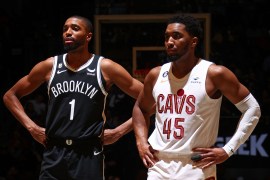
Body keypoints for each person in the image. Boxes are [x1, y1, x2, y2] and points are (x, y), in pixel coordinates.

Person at [3, 15, 143, 180]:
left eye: (75, 28)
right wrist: (32, 128)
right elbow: (9, 96)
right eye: (65, 29)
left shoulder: (105, 67)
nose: (68, 32)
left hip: (88, 153)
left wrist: (120, 131)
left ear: (88, 36)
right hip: (54, 152)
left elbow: (153, 99)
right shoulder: (50, 66)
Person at [132, 14, 261, 180]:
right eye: (166, 37)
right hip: (159, 165)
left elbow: (253, 108)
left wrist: (229, 149)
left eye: (176, 36)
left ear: (193, 42)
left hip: (196, 165)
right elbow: (140, 108)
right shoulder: (155, 75)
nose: (169, 42)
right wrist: (141, 143)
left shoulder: (214, 74)